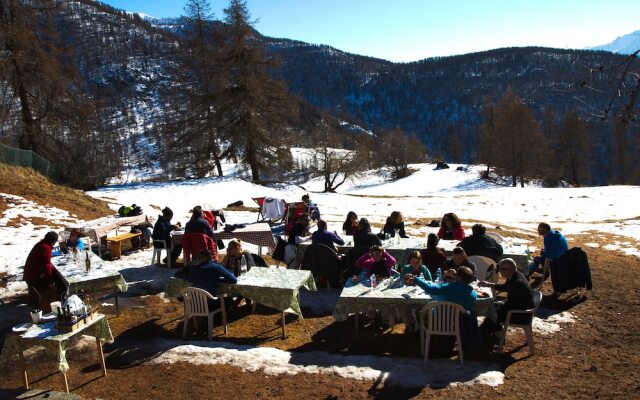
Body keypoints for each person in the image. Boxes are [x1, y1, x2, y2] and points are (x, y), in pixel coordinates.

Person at [411, 266, 480, 357]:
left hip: (437, 321)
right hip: (455, 325)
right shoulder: (473, 294)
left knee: (420, 311)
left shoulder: (449, 287)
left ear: (458, 277)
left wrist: (416, 279)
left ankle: (427, 336)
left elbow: (431, 289)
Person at [479, 258, 535, 336]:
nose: (500, 271)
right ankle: (493, 333)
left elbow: (510, 305)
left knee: (491, 312)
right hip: (519, 307)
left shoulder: (517, 284)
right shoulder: (515, 275)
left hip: (520, 315)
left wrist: (496, 307)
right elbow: (506, 287)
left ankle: (482, 335)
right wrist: (489, 284)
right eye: (499, 268)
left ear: (511, 269)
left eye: (503, 269)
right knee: (492, 309)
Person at [23, 232, 65, 312]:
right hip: (34, 277)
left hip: (29, 274)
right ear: (53, 241)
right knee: (57, 281)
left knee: (56, 274)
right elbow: (46, 267)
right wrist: (50, 282)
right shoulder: (46, 248)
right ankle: (52, 305)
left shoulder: (41, 244)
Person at [398, 251, 432, 330]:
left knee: (420, 308)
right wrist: (404, 277)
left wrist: (421, 281)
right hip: (408, 294)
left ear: (421, 261)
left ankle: (419, 326)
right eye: (413, 262)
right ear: (410, 261)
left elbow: (430, 282)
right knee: (402, 306)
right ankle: (411, 323)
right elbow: (399, 281)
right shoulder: (406, 268)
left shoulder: (424, 269)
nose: (415, 264)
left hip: (421, 294)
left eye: (417, 262)